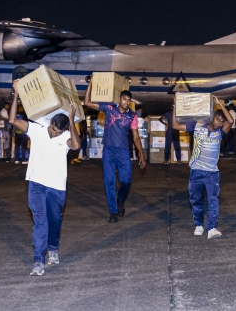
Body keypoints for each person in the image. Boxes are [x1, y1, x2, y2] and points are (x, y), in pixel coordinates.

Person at [9, 80, 80, 276]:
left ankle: (53, 248)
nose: (55, 133)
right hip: (36, 184)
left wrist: (72, 120)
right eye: (54, 129)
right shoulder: (37, 130)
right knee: (40, 221)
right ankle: (38, 260)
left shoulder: (65, 137)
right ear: (51, 123)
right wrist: (16, 95)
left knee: (54, 222)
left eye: (59, 131)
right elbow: (13, 120)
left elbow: (76, 146)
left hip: (57, 187)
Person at [172, 96, 233, 239]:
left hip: (212, 173)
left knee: (213, 200)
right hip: (196, 171)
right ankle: (198, 225)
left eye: (222, 121)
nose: (219, 123)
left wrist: (219, 104)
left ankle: (212, 228)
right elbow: (175, 125)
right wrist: (175, 107)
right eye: (218, 119)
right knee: (196, 200)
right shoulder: (197, 126)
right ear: (212, 117)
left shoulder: (220, 132)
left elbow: (231, 121)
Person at [84, 83, 146, 223]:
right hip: (109, 151)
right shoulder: (110, 108)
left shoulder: (132, 116)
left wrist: (141, 154)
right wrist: (91, 85)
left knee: (126, 182)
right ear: (120, 99)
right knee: (109, 182)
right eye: (124, 99)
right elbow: (87, 102)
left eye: (129, 100)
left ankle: (121, 201)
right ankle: (113, 212)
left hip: (123, 152)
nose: (126, 102)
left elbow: (136, 137)